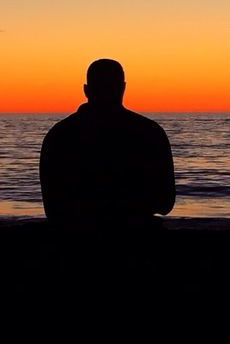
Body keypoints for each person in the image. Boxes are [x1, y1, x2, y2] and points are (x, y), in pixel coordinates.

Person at [39, 59, 175, 226]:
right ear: (123, 87)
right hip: (136, 235)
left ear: (86, 90)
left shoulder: (59, 135)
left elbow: (52, 209)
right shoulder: (150, 132)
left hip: (74, 237)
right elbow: (165, 204)